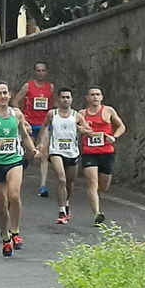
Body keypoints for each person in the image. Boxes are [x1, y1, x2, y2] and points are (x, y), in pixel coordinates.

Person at [0, 81, 40, 257]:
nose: (3, 96)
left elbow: (24, 135)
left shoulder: (16, 114)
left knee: (14, 195)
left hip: (14, 160)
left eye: (5, 93)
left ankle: (16, 232)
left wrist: (32, 149)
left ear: (10, 95)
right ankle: (5, 236)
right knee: (1, 205)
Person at [39, 87, 91, 224]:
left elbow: (89, 132)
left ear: (72, 99)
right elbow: (44, 127)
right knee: (61, 179)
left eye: (68, 97)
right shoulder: (52, 114)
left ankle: (66, 203)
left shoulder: (77, 116)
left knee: (69, 183)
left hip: (72, 152)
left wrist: (83, 130)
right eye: (63, 97)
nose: (65, 100)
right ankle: (61, 211)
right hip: (56, 151)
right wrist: (42, 143)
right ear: (58, 99)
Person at [79, 86, 126, 226]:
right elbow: (72, 125)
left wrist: (114, 137)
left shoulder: (108, 110)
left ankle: (94, 198)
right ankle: (97, 214)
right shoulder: (82, 113)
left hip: (107, 152)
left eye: (97, 94)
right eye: (92, 94)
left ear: (102, 97)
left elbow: (122, 126)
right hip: (89, 153)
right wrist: (80, 129)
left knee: (103, 186)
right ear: (87, 98)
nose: (95, 97)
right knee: (92, 184)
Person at [12, 61, 55, 197]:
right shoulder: (28, 86)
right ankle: (22, 164)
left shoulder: (50, 87)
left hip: (44, 124)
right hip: (29, 124)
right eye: (38, 70)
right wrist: (22, 119)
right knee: (30, 153)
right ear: (35, 72)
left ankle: (42, 186)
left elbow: (52, 104)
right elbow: (15, 101)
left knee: (44, 154)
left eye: (43, 70)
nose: (41, 73)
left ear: (46, 72)